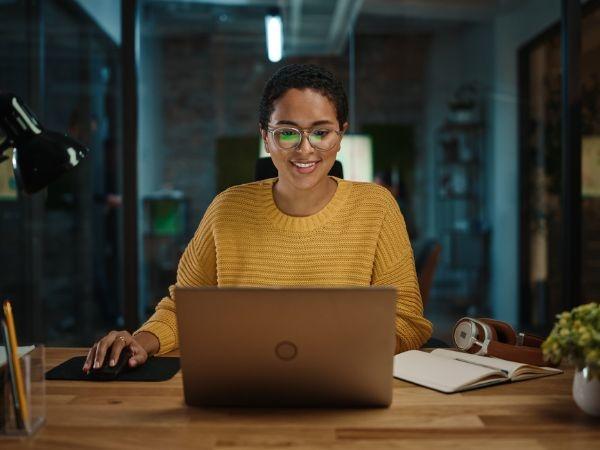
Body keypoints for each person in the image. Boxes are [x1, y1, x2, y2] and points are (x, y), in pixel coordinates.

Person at [83, 64, 432, 372]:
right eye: (288, 132)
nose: (305, 149)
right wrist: (140, 342)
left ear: (340, 135)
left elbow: (408, 322)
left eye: (321, 132)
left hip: (343, 383)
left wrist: (337, 351)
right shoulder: (226, 209)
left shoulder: (377, 207)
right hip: (241, 386)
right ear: (266, 136)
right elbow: (183, 308)